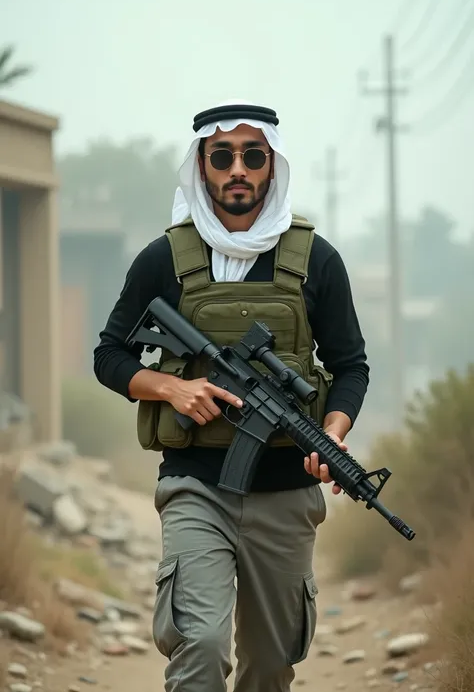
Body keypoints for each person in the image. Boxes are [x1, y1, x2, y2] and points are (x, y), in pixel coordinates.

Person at [93, 99, 370, 692]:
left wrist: (335, 435)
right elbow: (109, 356)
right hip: (195, 487)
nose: (237, 169)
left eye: (253, 156)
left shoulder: (316, 260)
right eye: (222, 156)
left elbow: (350, 367)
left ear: (272, 165)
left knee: (271, 666)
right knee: (202, 645)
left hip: (287, 495)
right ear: (203, 167)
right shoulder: (163, 259)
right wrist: (171, 387)